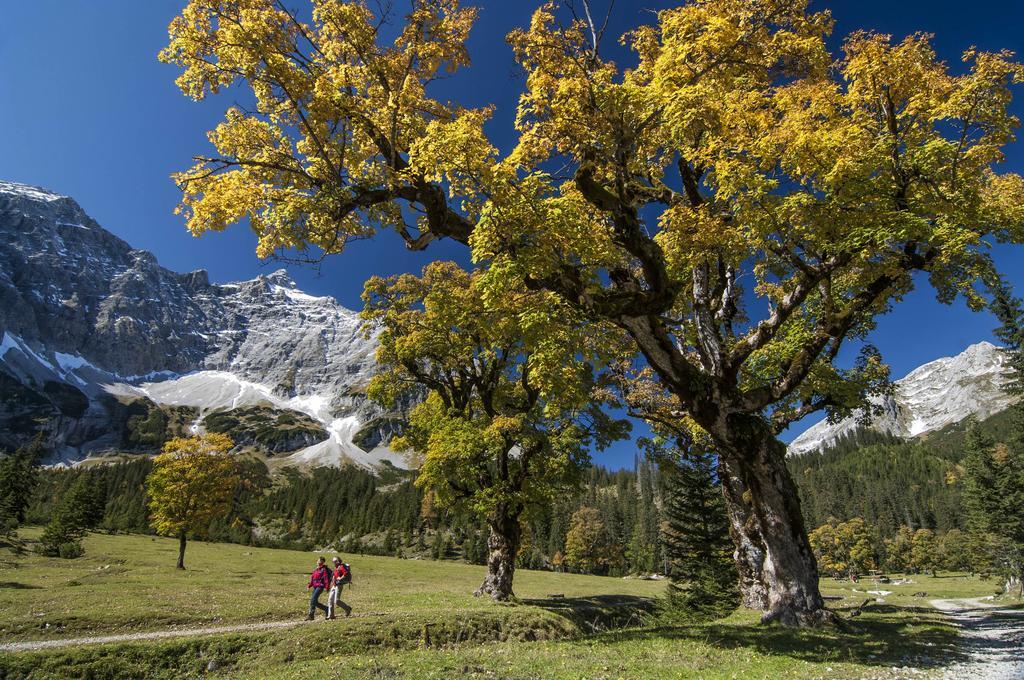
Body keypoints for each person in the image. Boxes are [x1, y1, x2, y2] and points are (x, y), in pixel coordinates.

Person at [306, 556, 332, 620]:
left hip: (320, 587)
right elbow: (313, 579)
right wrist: (309, 586)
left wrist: (327, 587)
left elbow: (326, 579)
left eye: (319, 560)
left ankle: (311, 616)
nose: (317, 561)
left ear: (322, 562)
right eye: (318, 560)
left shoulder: (324, 569)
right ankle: (326, 609)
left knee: (312, 600)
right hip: (315, 587)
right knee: (314, 601)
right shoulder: (316, 570)